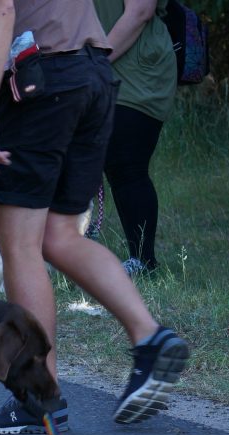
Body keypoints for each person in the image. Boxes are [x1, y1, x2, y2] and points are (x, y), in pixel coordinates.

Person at [0, 0, 189, 434]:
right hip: (93, 75)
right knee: (60, 235)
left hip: (39, 81)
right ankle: (149, 338)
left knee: (20, 246)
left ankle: (38, 396)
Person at [94, 0, 177, 276]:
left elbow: (141, 11)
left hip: (137, 71)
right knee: (114, 165)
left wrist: (97, 61)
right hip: (100, 70)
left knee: (126, 164)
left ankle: (143, 261)